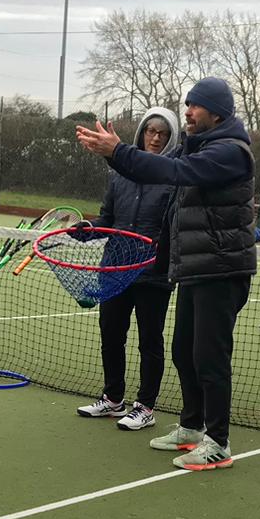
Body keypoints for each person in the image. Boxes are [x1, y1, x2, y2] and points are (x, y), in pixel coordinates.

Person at [75, 77, 256, 472]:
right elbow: (155, 173)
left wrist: (119, 150)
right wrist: (115, 156)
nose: (187, 112)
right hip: (195, 269)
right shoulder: (205, 148)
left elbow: (170, 172)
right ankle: (192, 427)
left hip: (222, 270)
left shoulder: (229, 153)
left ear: (217, 113)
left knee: (210, 357)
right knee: (184, 351)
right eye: (187, 104)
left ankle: (219, 443)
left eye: (195, 106)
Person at [74, 109, 179, 431]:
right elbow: (108, 220)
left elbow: (175, 227)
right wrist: (89, 228)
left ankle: (145, 407)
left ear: (170, 137)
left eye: (162, 133)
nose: (156, 137)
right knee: (111, 335)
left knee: (149, 340)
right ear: (142, 133)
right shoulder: (119, 175)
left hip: (152, 274)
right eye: (151, 130)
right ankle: (113, 398)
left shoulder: (173, 175)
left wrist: (161, 256)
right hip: (114, 270)